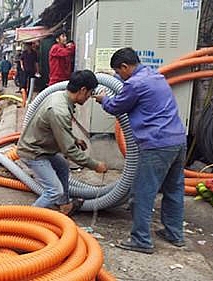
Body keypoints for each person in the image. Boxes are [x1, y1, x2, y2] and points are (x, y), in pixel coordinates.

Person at [94, 47, 186, 254]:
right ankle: (174, 233)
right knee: (174, 189)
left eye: (119, 71)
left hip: (157, 144)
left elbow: (116, 107)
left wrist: (103, 100)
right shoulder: (155, 75)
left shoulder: (135, 84)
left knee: (143, 193)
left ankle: (141, 240)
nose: (119, 76)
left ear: (126, 67)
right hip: (178, 140)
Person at [17, 70, 108, 216]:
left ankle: (64, 205)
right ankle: (27, 220)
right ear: (82, 90)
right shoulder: (59, 110)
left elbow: (59, 130)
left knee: (62, 166)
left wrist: (74, 139)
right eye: (89, 93)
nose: (89, 98)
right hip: (33, 152)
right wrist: (95, 165)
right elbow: (69, 151)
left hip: (42, 147)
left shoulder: (59, 96)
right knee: (54, 191)